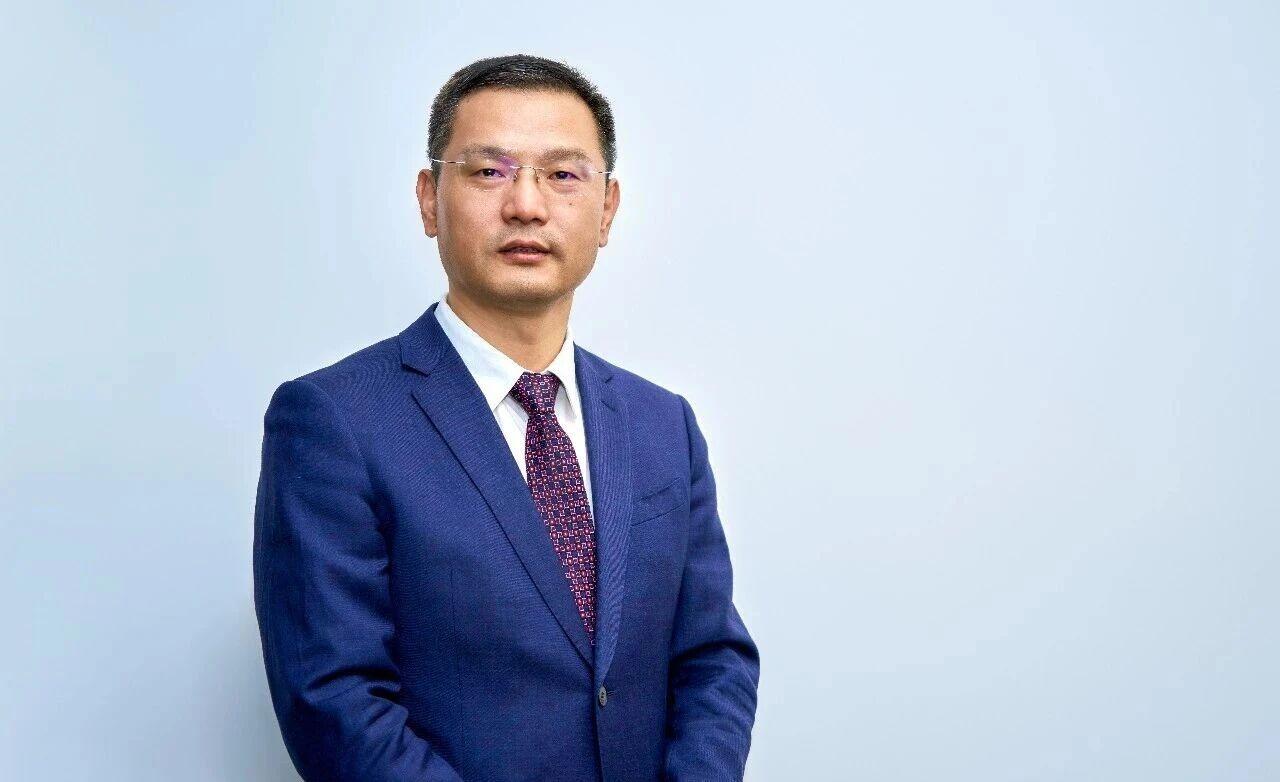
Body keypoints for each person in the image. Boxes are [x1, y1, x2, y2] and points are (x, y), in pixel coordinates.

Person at [252, 53, 760, 782]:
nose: (526, 205)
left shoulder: (662, 425)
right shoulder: (335, 420)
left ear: (607, 209)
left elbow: (713, 658)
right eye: (489, 171)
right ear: (429, 200)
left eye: (563, 175)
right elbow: (334, 702)